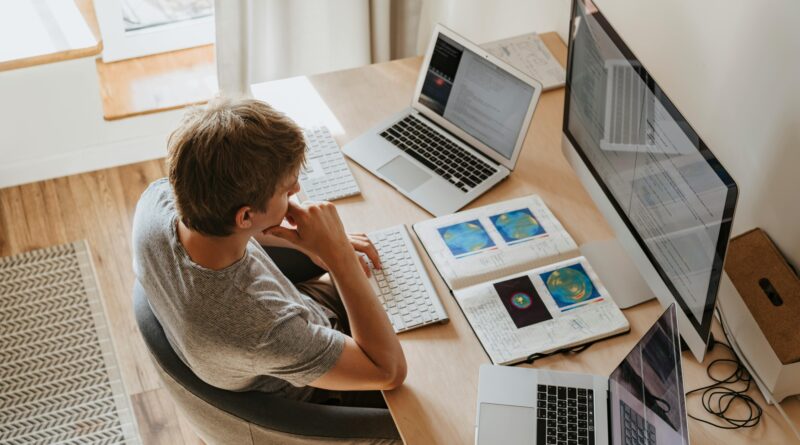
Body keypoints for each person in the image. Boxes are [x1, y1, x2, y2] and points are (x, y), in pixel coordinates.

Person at [132, 96, 406, 406]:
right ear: (246, 217)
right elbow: (388, 371)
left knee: (398, 273)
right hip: (326, 385)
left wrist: (310, 242)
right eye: (287, 189)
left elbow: (224, 223)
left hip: (289, 321)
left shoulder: (157, 202)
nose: (297, 192)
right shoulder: (261, 326)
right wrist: (339, 257)